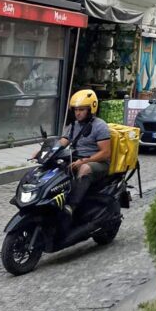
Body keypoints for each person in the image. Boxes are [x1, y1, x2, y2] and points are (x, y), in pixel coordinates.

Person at [58, 89, 111, 217]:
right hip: (77, 158)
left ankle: (72, 206)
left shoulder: (100, 126)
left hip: (98, 162)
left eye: (81, 110)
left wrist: (84, 161)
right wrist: (44, 152)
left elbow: (105, 153)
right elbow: (62, 142)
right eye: (76, 110)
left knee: (84, 169)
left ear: (91, 109)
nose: (78, 113)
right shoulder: (73, 125)